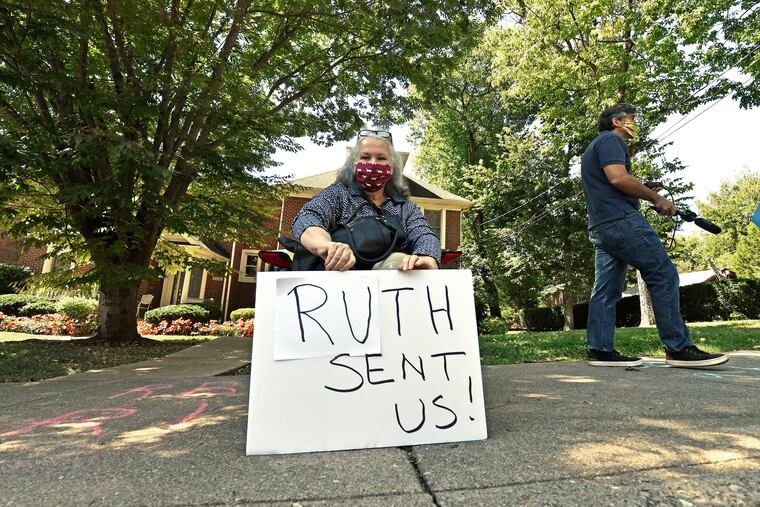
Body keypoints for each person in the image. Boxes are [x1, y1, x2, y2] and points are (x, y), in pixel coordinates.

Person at [580, 103, 728, 368]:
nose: (635, 122)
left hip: (601, 228)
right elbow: (617, 178)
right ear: (616, 121)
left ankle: (600, 349)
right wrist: (656, 197)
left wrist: (644, 189)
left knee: (606, 290)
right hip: (621, 221)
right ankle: (678, 348)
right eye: (632, 118)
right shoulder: (612, 141)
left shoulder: (594, 147)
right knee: (663, 274)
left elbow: (611, 185)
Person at [292, 129, 440, 271]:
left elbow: (424, 234)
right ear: (354, 164)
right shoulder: (338, 193)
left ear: (392, 167)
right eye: (365, 157)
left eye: (381, 158)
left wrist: (426, 256)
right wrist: (326, 246)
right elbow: (307, 217)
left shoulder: (405, 207)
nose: (373, 163)